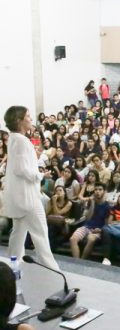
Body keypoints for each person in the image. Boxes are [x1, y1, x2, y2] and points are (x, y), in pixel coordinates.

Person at [3, 106, 60, 270]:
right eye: (27, 116)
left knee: (18, 233)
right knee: (41, 233)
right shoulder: (21, 140)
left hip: (19, 196)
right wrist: (40, 176)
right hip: (27, 197)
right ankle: (52, 270)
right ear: (19, 121)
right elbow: (20, 169)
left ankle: (13, 265)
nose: (31, 118)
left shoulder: (14, 138)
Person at [69, 183, 109, 259]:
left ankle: (82, 261)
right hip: (87, 226)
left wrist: (100, 230)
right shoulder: (91, 203)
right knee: (73, 239)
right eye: (96, 190)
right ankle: (76, 261)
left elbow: (107, 224)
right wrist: (93, 203)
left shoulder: (108, 206)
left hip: (98, 230)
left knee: (91, 239)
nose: (97, 192)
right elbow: (88, 218)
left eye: (100, 190)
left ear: (104, 192)